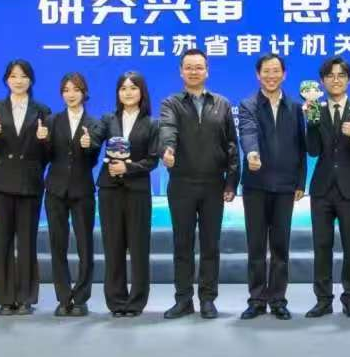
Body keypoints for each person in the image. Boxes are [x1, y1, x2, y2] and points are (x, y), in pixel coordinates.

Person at [159, 49, 240, 319]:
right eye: (189, 67)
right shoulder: (171, 103)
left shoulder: (222, 103)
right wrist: (168, 149)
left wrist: (232, 182)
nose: (194, 72)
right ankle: (183, 299)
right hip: (181, 184)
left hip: (213, 184)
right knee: (182, 245)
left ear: (207, 71)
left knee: (210, 245)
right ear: (181, 71)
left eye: (199, 67)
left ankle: (207, 299)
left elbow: (231, 145)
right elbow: (167, 129)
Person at [303, 56, 350, 318]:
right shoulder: (316, 109)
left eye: (341, 75)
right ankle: (323, 300)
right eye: (330, 76)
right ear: (322, 81)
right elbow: (312, 150)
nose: (336, 80)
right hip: (322, 189)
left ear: (349, 80)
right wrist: (311, 122)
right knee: (321, 246)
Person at [237, 54, 307, 321]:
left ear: (284, 74)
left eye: (276, 71)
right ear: (258, 75)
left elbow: (301, 147)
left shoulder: (296, 107)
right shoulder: (248, 105)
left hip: (286, 186)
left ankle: (278, 300)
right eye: (266, 71)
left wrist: (300, 181)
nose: (271, 76)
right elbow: (247, 131)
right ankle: (256, 300)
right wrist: (251, 153)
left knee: (280, 247)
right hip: (256, 185)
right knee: (256, 246)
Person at [0, 59, 51, 316]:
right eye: (13, 76)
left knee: (27, 241)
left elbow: (48, 153)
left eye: (23, 76)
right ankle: (5, 298)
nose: (18, 80)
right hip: (0, 182)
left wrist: (44, 141)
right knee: (2, 241)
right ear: (6, 80)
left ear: (30, 80)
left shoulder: (42, 110)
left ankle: (25, 298)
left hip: (29, 182)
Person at [98, 71, 160, 317]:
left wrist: (129, 167)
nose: (128, 92)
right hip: (110, 190)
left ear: (142, 92)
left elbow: (153, 160)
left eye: (133, 88)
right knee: (113, 246)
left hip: (137, 191)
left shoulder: (152, 124)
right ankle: (116, 301)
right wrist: (86, 141)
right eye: (123, 88)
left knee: (138, 247)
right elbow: (94, 141)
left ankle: (135, 302)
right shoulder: (108, 119)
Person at [44, 72, 102, 317]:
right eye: (66, 90)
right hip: (55, 189)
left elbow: (93, 160)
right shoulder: (52, 120)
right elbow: (46, 156)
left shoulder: (94, 123)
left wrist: (89, 147)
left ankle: (81, 298)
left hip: (82, 189)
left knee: (85, 245)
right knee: (57, 245)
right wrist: (42, 141)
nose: (71, 94)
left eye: (76, 90)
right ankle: (63, 297)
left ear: (84, 93)